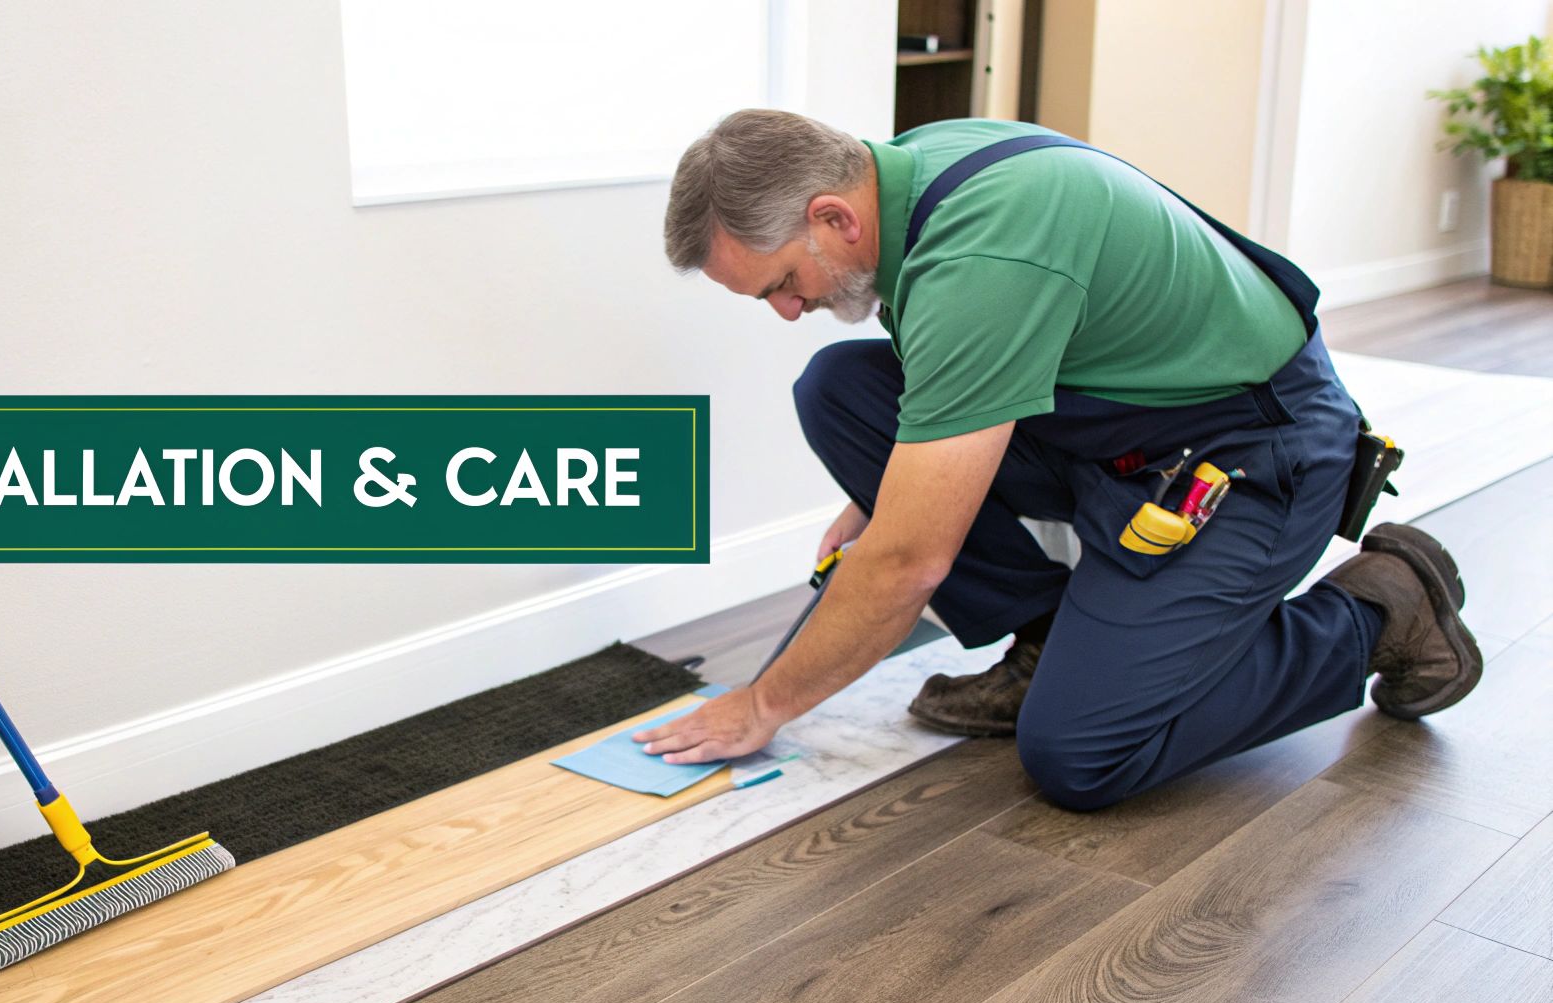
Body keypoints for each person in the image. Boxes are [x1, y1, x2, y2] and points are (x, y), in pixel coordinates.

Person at [631, 110, 1482, 811]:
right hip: (1120, 433)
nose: (788, 310)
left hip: (1252, 455)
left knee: (1082, 755)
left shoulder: (982, 257)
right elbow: (958, 382)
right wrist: (882, 493)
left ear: (833, 217)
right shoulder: (914, 172)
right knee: (841, 388)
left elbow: (908, 563)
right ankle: (1049, 641)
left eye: (781, 282)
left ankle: (1380, 613)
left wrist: (766, 702)